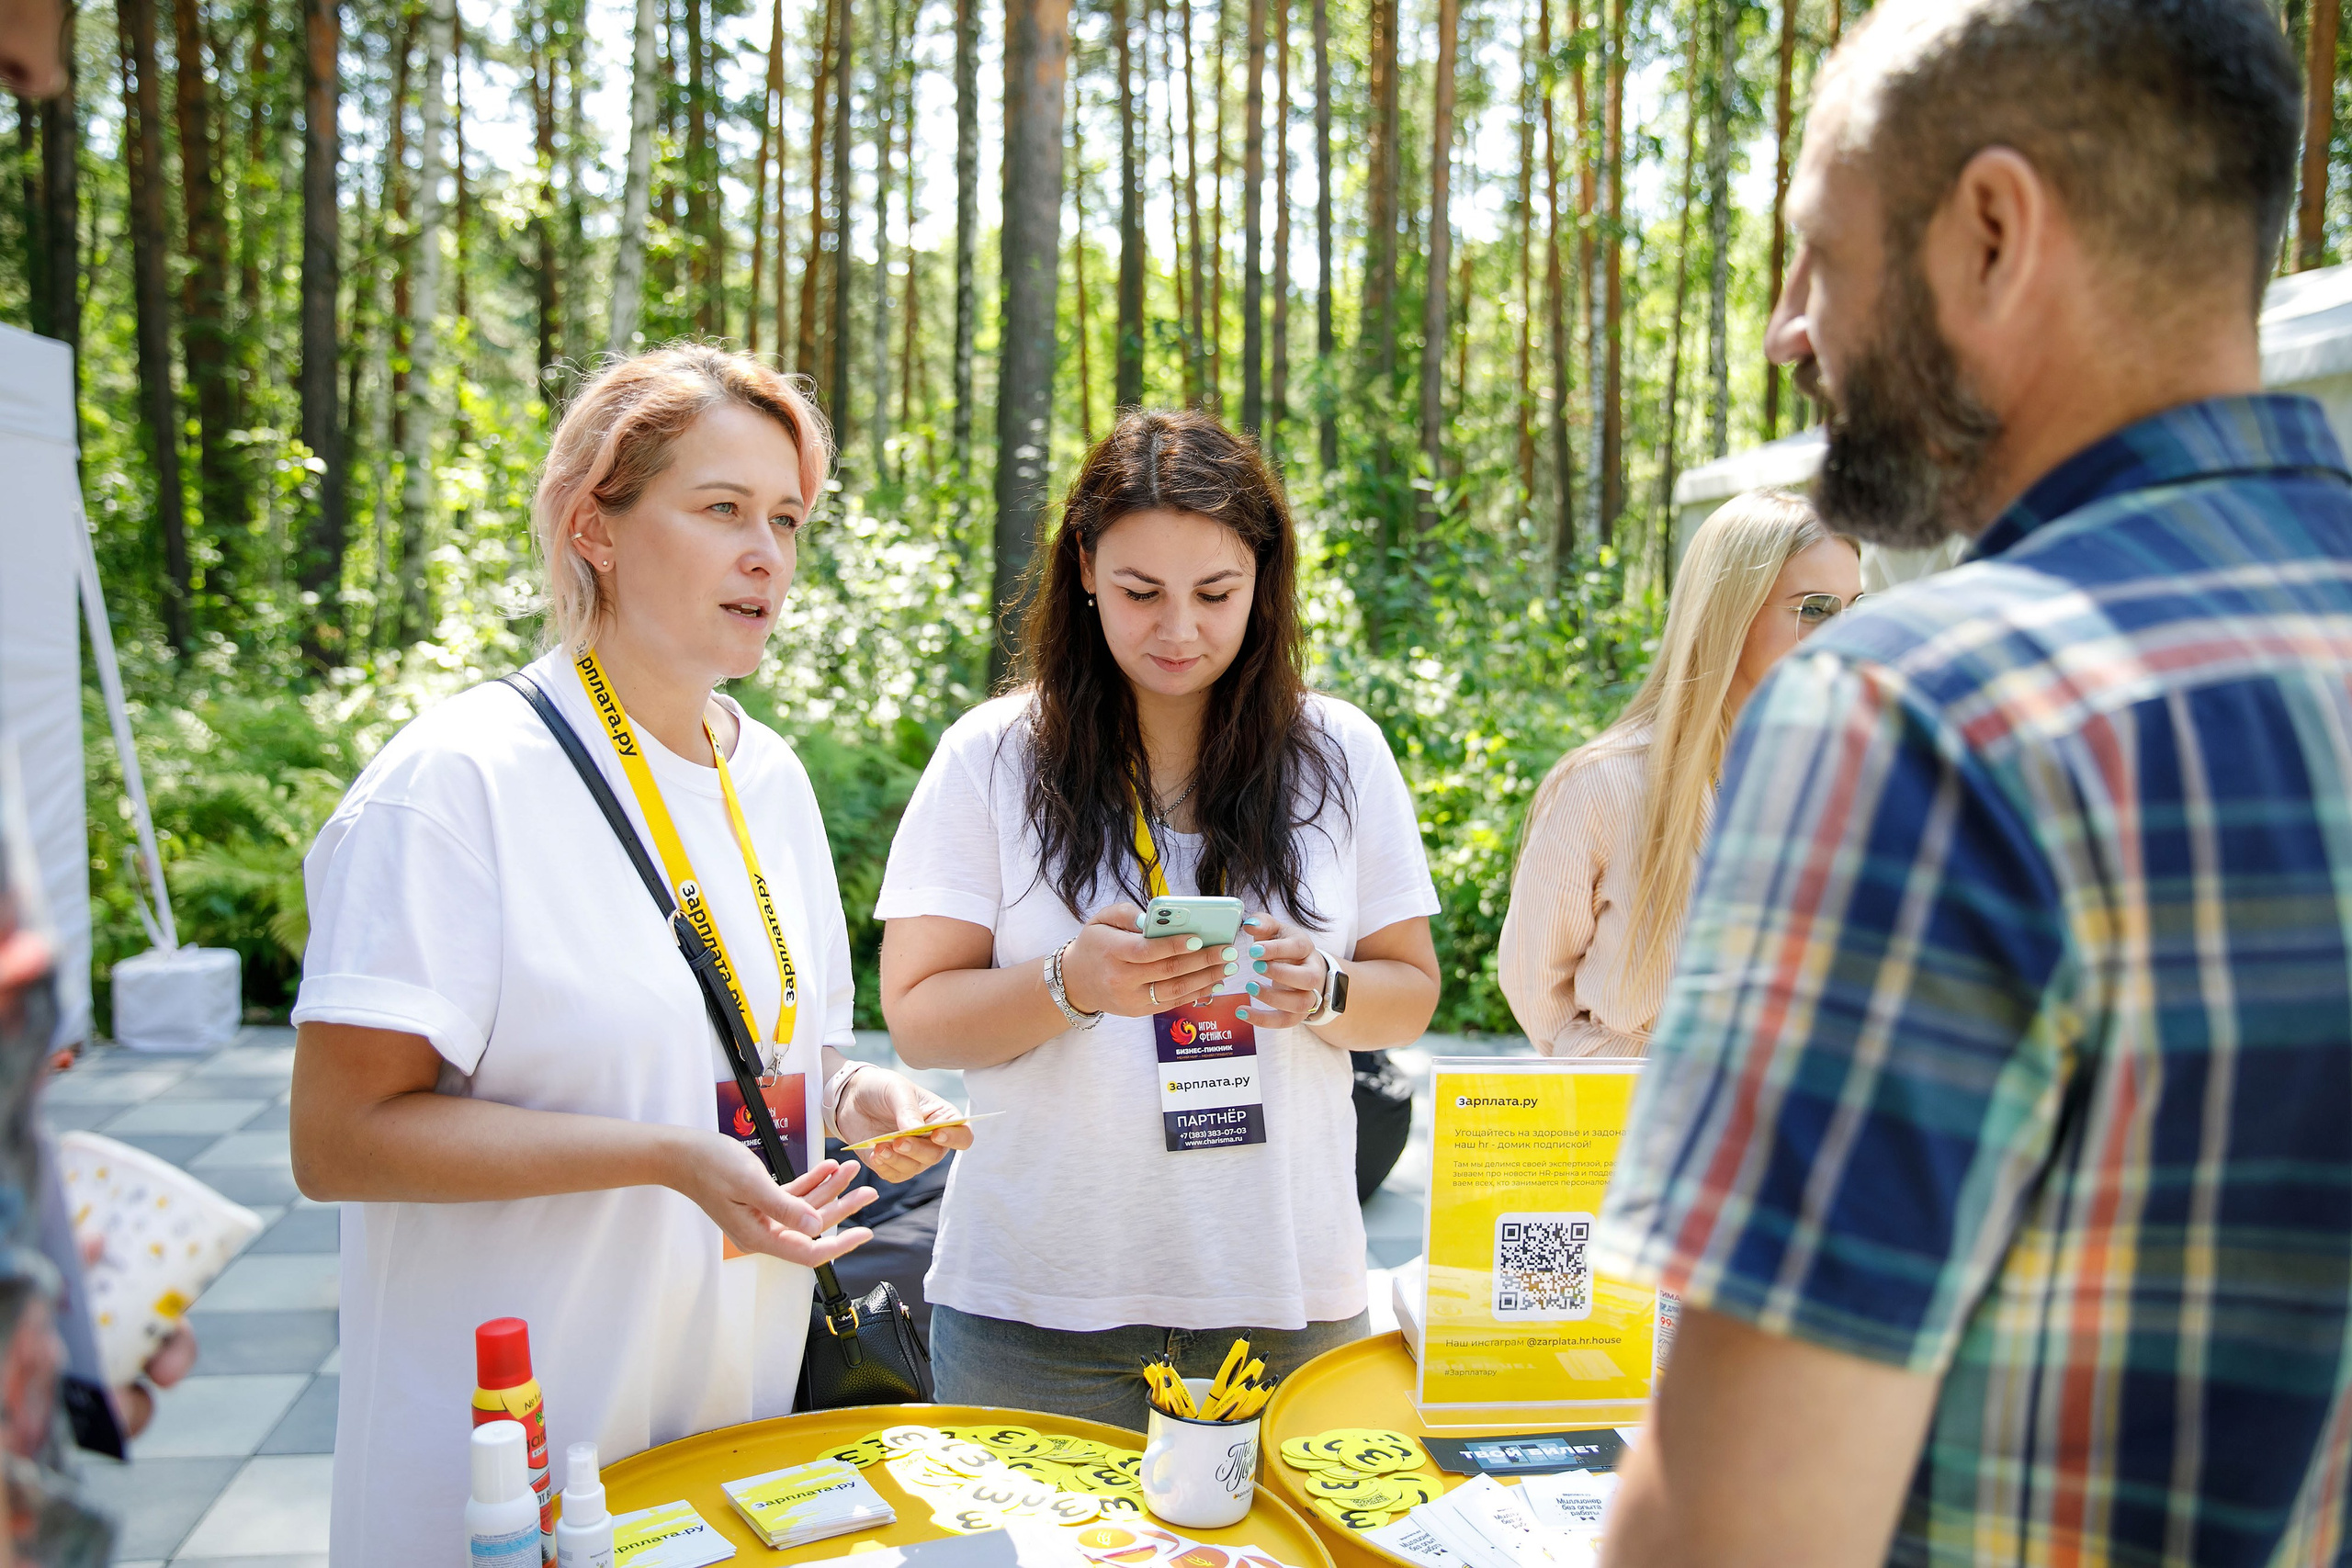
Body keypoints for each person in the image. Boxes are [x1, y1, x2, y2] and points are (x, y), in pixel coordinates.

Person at [1595, 3, 2351, 1565]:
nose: (1787, 328)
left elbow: (1738, 1533)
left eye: (1821, 253)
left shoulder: (1917, 716)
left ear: (1993, 234)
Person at [287, 346, 967, 1567]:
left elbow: (778, 1052)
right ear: (592, 525)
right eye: (722, 509)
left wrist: (859, 1096)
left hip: (735, 1442)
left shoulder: (772, 777)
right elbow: (337, 1139)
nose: (767, 554)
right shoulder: (456, 784)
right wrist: (665, 1157)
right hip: (508, 1468)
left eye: (786, 519)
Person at [876, 409, 1442, 1432]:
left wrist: (1326, 991)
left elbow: (1408, 992)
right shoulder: (990, 756)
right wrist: (1069, 985)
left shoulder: (1342, 754)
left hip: (1285, 1305)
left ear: (1264, 580)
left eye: (1215, 594)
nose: (1178, 630)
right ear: (1085, 569)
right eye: (1141, 592)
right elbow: (917, 1017)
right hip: (1034, 1316)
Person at [1498, 491, 1860, 1057]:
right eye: (1814, 609)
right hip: (1634, 1099)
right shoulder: (1605, 783)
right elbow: (1536, 989)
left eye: (1855, 609)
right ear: (1731, 611)